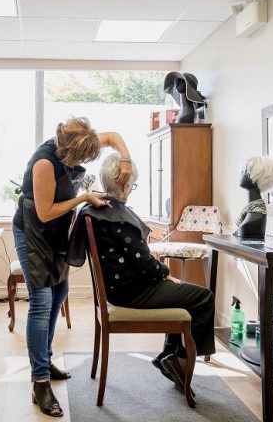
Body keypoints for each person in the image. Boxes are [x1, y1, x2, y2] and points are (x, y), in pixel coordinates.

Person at [12, 117, 132, 418]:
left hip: (56, 231)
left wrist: (126, 160)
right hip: (33, 232)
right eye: (80, 159)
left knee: (61, 289)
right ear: (67, 151)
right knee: (41, 301)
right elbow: (44, 211)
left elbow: (114, 135)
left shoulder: (82, 139)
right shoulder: (43, 163)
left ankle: (45, 359)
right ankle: (39, 380)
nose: (82, 162)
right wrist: (83, 198)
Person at [68, 153, 216, 391]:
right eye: (131, 185)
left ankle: (170, 355)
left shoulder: (95, 210)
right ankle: (179, 360)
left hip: (118, 290)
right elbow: (145, 265)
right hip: (134, 293)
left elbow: (140, 262)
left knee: (179, 292)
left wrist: (162, 275)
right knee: (203, 297)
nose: (131, 189)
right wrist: (165, 272)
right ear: (125, 185)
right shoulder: (119, 219)